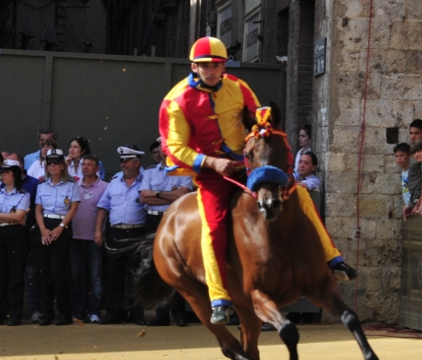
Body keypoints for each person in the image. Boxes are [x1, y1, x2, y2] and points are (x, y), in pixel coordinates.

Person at [159, 36, 360, 324]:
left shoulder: (238, 87)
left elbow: (257, 120)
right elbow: (174, 147)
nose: (212, 70)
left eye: (217, 65)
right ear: (194, 66)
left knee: (299, 195)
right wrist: (212, 162)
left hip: (247, 164)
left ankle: (333, 259)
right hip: (212, 173)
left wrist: (264, 130)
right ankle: (219, 297)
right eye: (205, 66)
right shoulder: (175, 101)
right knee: (214, 227)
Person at [139, 139, 192, 327]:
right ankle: (161, 313)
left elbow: (182, 196)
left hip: (175, 220)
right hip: (153, 220)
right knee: (158, 266)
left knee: (177, 266)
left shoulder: (184, 171)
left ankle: (179, 312)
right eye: (162, 149)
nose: (165, 152)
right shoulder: (150, 172)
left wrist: (156, 193)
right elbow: (144, 198)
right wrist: (168, 195)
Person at [96, 146, 146, 325]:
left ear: (137, 163)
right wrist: (98, 230)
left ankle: (136, 313)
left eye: (126, 161)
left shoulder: (146, 181)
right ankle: (112, 313)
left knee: (136, 274)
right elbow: (103, 207)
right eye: (121, 161)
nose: (123, 164)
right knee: (113, 275)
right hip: (115, 232)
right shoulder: (115, 181)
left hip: (137, 232)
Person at [34, 148, 80, 326]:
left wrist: (62, 226)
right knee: (43, 271)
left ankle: (65, 312)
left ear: (62, 166)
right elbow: (38, 209)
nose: (52, 166)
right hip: (45, 226)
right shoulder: (42, 185)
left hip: (62, 227)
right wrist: (43, 229)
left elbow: (74, 207)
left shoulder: (71, 185)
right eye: (49, 163)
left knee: (58, 271)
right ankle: (47, 312)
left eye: (56, 163)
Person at [0, 160, 30, 326]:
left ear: (15, 175)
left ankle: (15, 314)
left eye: (7, 172)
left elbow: (19, 217)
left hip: (15, 235)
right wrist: (8, 216)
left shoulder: (23, 194)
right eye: (2, 172)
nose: (3, 174)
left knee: (15, 276)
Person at [70, 154, 108, 324]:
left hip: (94, 239)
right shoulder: (73, 186)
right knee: (77, 277)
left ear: (97, 168)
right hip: (75, 237)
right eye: (83, 164)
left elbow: (104, 210)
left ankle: (94, 312)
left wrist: (98, 230)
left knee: (95, 277)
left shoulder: (105, 187)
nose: (85, 167)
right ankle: (78, 312)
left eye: (90, 164)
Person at [6, 153, 41, 323]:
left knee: (31, 273)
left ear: (21, 165)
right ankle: (9, 310)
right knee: (12, 273)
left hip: (31, 233)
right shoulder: (2, 185)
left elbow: (38, 207)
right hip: (10, 234)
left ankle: (35, 309)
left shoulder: (34, 184)